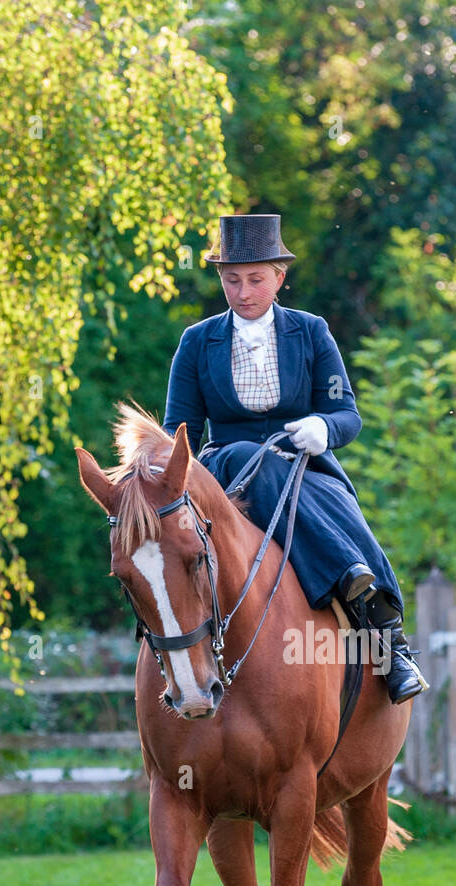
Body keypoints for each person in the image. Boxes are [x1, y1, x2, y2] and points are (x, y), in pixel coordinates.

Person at [163, 213, 427, 704]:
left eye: (256, 279)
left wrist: (324, 427)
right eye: (232, 280)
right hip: (228, 470)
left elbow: (348, 414)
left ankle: (392, 646)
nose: (243, 292)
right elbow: (176, 432)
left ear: (280, 278)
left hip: (305, 465)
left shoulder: (311, 331)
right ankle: (344, 575)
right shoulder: (196, 342)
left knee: (352, 519)